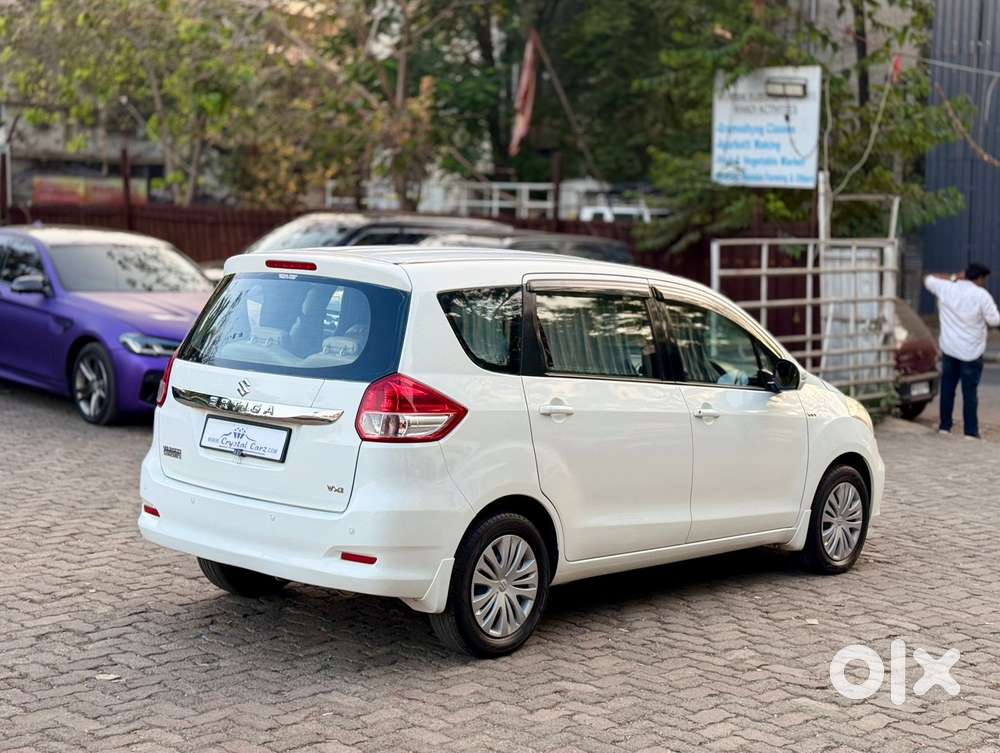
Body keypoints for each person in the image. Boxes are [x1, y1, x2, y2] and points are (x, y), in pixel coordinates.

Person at [924, 262, 1000, 438]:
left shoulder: (946, 287)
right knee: (970, 393)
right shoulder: (982, 295)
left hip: (949, 350)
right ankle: (970, 433)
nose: (984, 283)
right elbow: (994, 320)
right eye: (984, 279)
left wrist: (953, 277)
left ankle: (944, 428)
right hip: (971, 353)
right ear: (979, 278)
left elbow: (928, 279)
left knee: (947, 390)